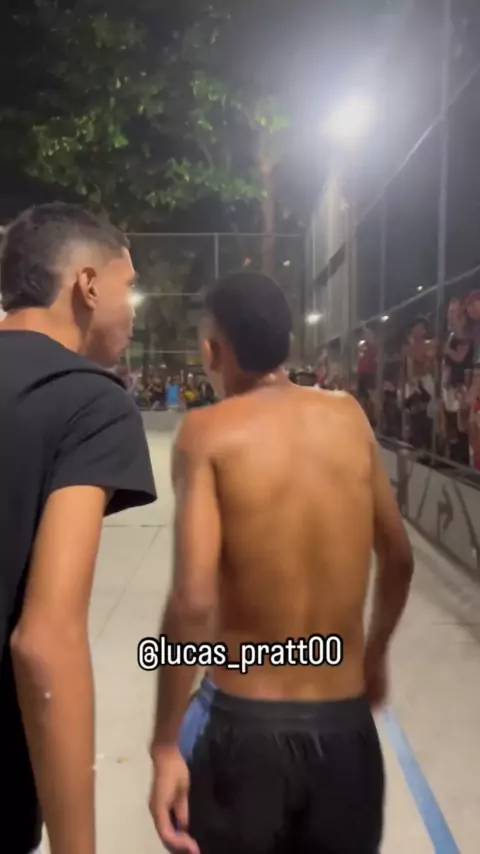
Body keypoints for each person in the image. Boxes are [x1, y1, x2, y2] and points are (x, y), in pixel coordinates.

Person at [148, 271, 414, 854]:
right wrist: (373, 654)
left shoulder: (206, 432)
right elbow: (398, 557)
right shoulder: (348, 416)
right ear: (288, 343)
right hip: (344, 727)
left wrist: (165, 744)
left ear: (212, 350)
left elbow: (192, 602)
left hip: (245, 727)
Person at [0, 203, 157, 854]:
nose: (132, 308)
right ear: (88, 285)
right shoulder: (87, 401)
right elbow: (45, 640)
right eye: (129, 286)